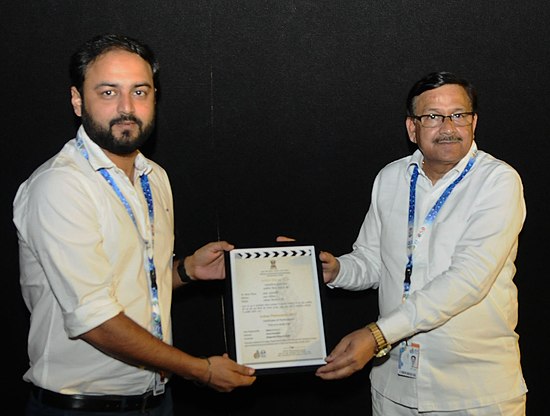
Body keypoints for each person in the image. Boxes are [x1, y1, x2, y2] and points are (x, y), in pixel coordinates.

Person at [13, 33, 256, 416]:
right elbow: (96, 321)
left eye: (140, 92)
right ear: (78, 100)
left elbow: (134, 279)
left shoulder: (153, 176)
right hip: (79, 407)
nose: (127, 108)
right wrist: (200, 370)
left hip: (155, 401)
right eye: (108, 92)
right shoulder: (60, 185)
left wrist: (188, 270)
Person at [314, 72, 527, 415]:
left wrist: (378, 335)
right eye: (432, 116)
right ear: (412, 128)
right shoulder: (391, 177)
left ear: (473, 122)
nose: (448, 126)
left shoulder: (498, 181)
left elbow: (468, 279)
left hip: (473, 392)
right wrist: (335, 269)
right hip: (393, 389)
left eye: (458, 115)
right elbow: (371, 261)